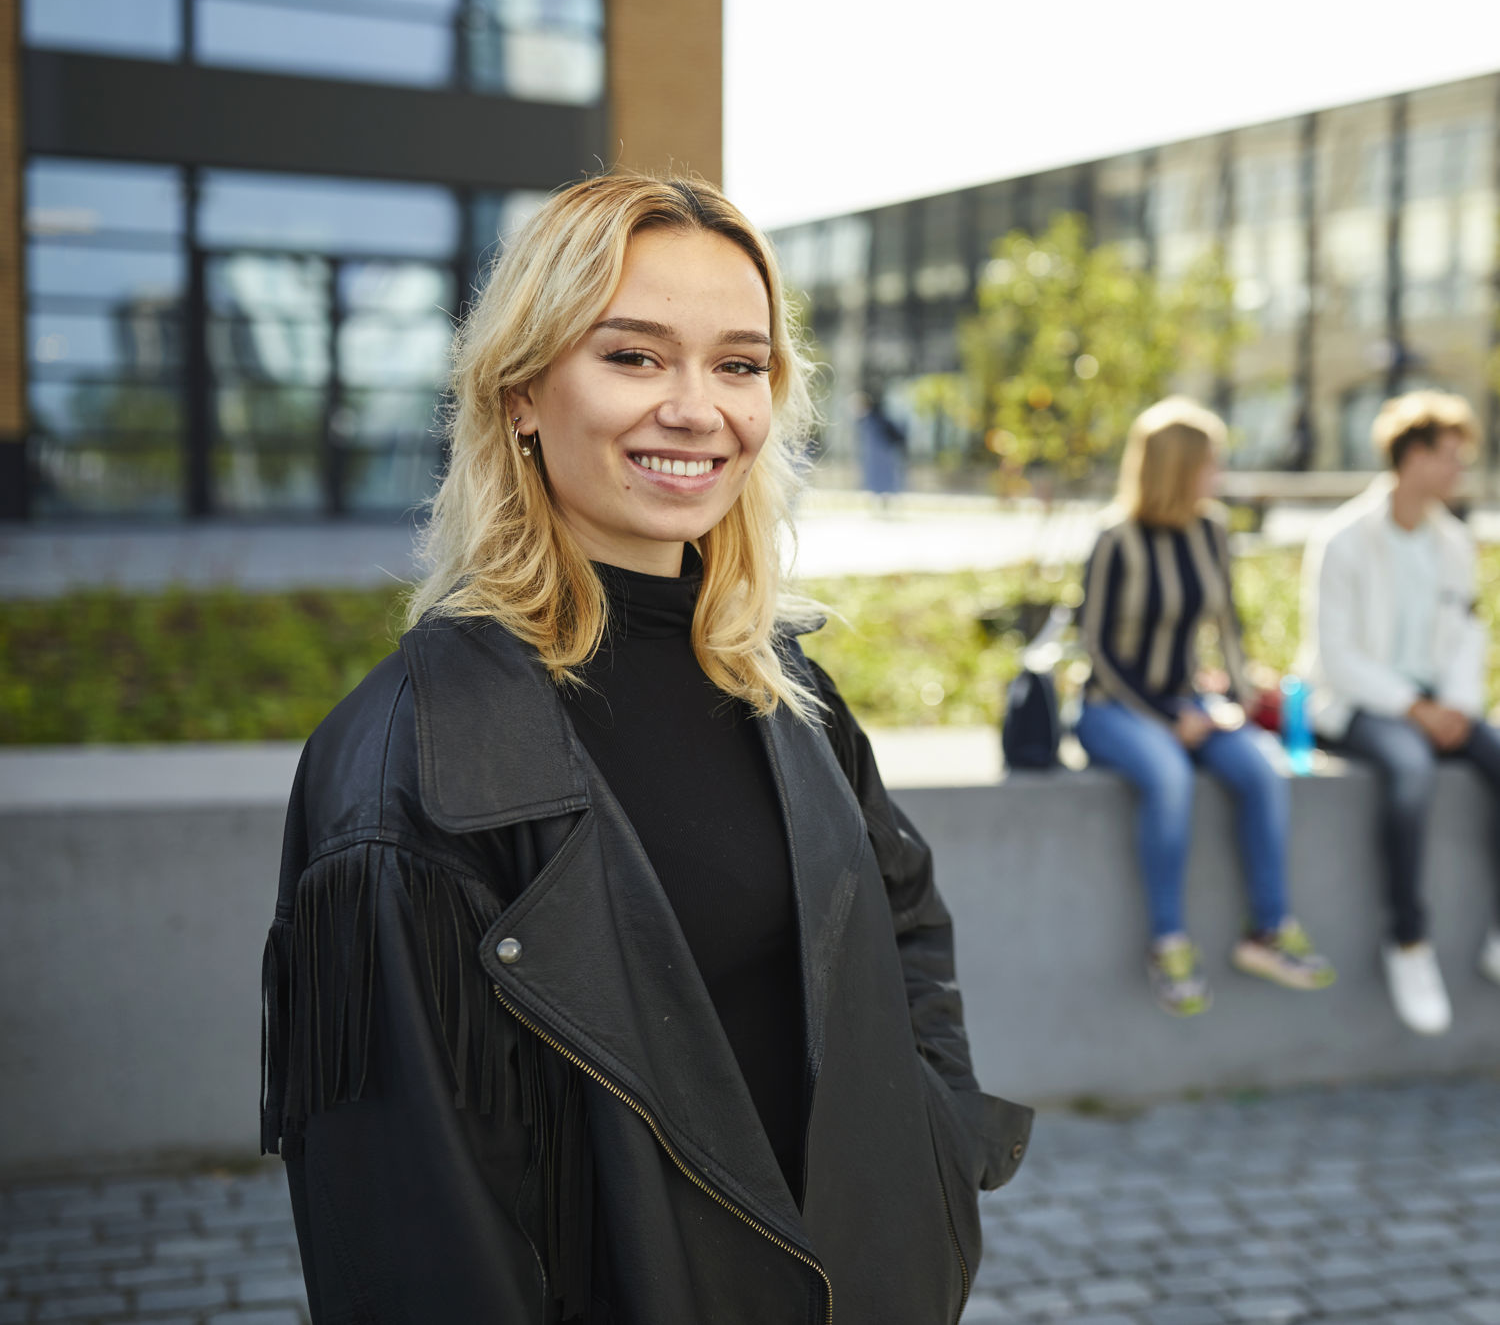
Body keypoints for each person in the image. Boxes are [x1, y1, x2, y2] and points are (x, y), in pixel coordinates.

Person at [259, 174, 1031, 1325]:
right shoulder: (412, 764)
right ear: (521, 393)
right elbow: (412, 1241)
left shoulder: (780, 680)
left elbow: (902, 923)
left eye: (739, 364)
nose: (697, 409)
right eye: (633, 356)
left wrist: (934, 1158)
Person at [1075, 397, 1335, 1016]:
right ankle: (1168, 944)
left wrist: (1241, 703)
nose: (1218, 474)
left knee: (1261, 769)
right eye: (1210, 462)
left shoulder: (1212, 531)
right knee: (1168, 778)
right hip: (1115, 708)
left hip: (1193, 703)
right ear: (1176, 466)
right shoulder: (1116, 539)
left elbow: (1230, 629)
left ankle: (1267, 930)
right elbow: (1099, 651)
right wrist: (1170, 719)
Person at [1297, 389, 1500, 1035]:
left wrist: (1456, 708)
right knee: (1409, 773)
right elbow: (1338, 656)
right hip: (1362, 706)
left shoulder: (1452, 541)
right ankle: (1408, 942)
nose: (1459, 472)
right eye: (1450, 457)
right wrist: (1415, 708)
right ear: (1412, 457)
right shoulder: (1342, 541)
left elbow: (1466, 635)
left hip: (1440, 706)